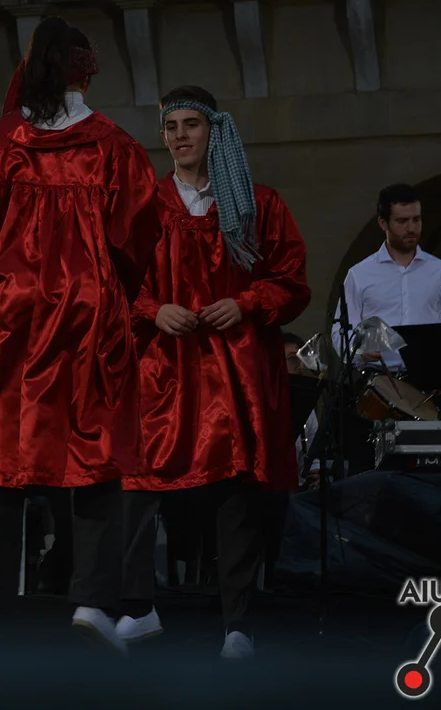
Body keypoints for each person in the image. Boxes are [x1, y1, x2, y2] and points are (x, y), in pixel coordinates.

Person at [0, 16, 159, 654]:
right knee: (94, 444)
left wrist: (3, 281)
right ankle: (91, 601)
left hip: (8, 309)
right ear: (85, 73)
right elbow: (135, 238)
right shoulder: (115, 147)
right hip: (86, 308)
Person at [120, 85, 311, 659]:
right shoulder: (145, 209)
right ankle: (138, 608)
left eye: (191, 124)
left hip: (235, 370)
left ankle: (237, 625)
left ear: (214, 129)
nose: (179, 136)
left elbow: (290, 281)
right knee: (137, 484)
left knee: (236, 492)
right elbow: (115, 283)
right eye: (170, 126)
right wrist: (154, 309)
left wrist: (245, 302)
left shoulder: (254, 205)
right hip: (166, 367)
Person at [332, 183, 441, 371]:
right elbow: (341, 333)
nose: (411, 228)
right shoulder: (359, 275)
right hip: (379, 377)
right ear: (383, 223)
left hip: (432, 376)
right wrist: (359, 351)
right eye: (402, 221)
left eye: (416, 219)